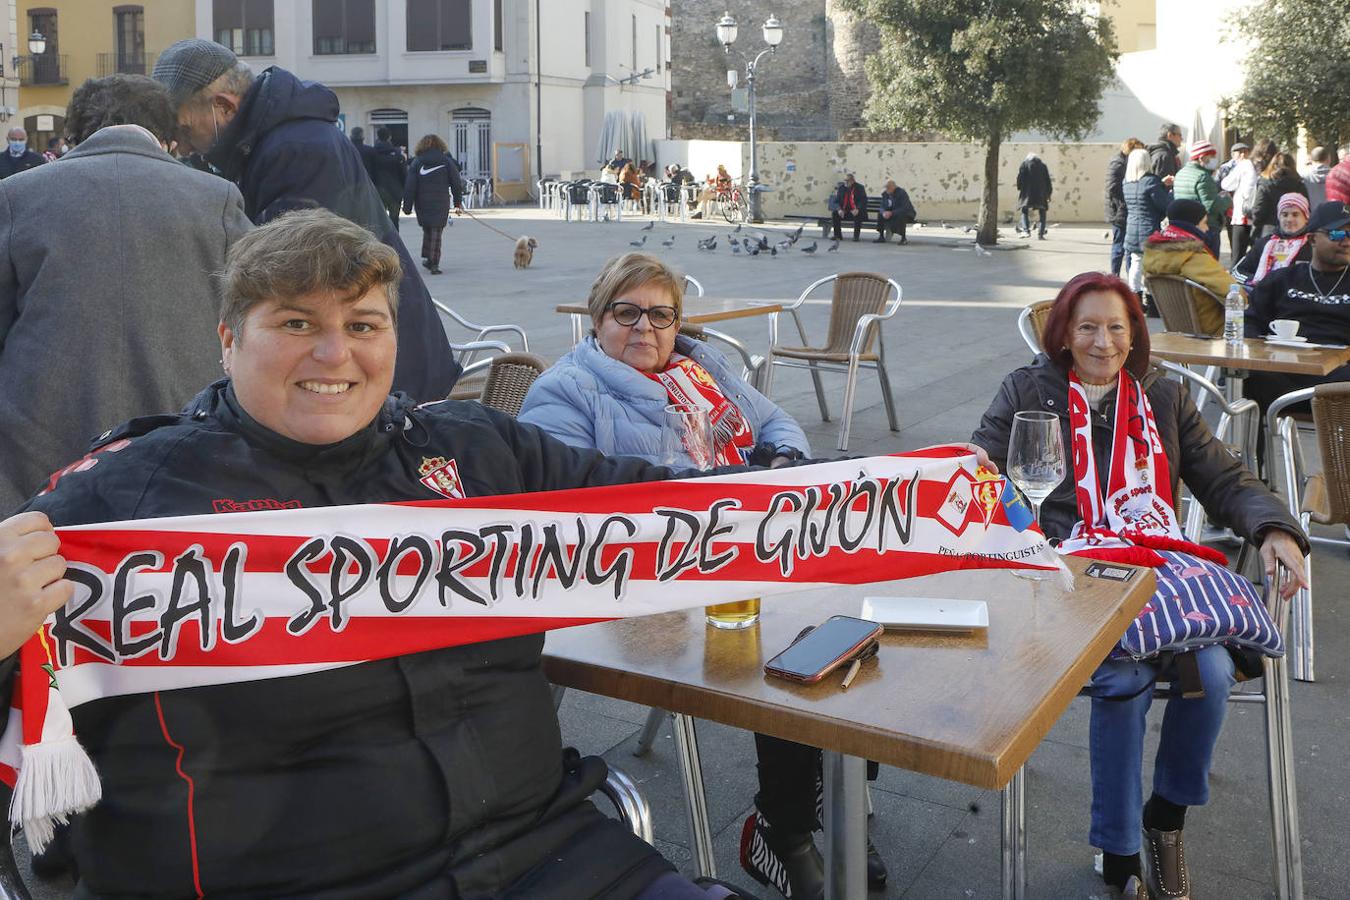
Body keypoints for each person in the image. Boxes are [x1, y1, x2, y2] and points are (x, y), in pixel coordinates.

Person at [0, 209, 757, 900]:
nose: (336, 353)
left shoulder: (476, 450)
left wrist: (856, 502)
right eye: (297, 322)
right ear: (228, 340)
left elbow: (674, 511)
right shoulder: (121, 500)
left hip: (555, 855)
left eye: (365, 325)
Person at [518, 253, 891, 899]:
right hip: (637, 584)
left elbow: (775, 421)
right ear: (597, 317)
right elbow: (563, 511)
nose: (646, 328)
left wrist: (780, 460)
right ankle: (786, 828)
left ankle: (833, 787)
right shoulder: (566, 391)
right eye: (626, 312)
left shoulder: (701, 367)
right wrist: (713, 497)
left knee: (851, 609)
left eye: (661, 314)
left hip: (742, 551)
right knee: (790, 636)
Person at [971, 271, 1307, 900]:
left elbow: (1226, 478)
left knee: (1208, 674)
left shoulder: (1165, 396)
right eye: (1088, 326)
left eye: (1117, 327)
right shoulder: (1028, 390)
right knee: (1124, 678)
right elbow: (982, 462)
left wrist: (1274, 529)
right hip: (1066, 579)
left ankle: (1165, 820)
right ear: (1065, 334)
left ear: (1135, 335)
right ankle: (1120, 847)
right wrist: (978, 469)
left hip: (1157, 574)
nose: (1103, 342)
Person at [151, 38, 459, 402]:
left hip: (384, 376)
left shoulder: (295, 149)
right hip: (371, 360)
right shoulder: (281, 140)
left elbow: (283, 276)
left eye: (185, 130)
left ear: (223, 107)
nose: (183, 147)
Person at [0, 73, 251, 516]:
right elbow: (255, 314)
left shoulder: (17, 196)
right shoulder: (216, 199)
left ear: (74, 135)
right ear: (168, 139)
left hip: (38, 437)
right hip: (180, 436)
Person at [1243, 200, 1350, 413]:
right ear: (1311, 239)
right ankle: (1251, 448)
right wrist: (1259, 355)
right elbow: (1249, 323)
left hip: (1340, 381)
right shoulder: (1281, 280)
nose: (1346, 241)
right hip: (1282, 375)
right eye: (1337, 234)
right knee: (1249, 376)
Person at [1141, 199, 1240, 335]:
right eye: (1204, 223)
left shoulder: (1151, 254)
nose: (1207, 229)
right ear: (1191, 226)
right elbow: (1236, 295)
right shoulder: (1193, 257)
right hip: (1212, 330)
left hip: (1174, 329)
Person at [402, 133, 464, 276]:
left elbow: (410, 186)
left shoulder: (417, 162)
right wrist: (458, 202)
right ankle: (433, 261)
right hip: (441, 201)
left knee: (428, 229)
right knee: (436, 231)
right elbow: (456, 183)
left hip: (422, 202)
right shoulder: (446, 161)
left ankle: (430, 259)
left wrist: (407, 205)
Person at [1121, 147, 1171, 301]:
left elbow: (1142, 195)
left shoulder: (1126, 182)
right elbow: (1163, 205)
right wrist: (1168, 191)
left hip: (1132, 227)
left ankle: (1135, 298)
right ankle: (1151, 301)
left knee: (1136, 263)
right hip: (1149, 228)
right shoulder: (1151, 181)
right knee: (1151, 267)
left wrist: (1160, 185)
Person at [1232, 193, 1311, 286]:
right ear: (1279, 217)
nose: (1289, 219)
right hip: (1261, 294)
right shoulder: (1265, 243)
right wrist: (1255, 281)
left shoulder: (1313, 245)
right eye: (1285, 215)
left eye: (1295, 214)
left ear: (1306, 218)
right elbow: (1237, 272)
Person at [1172, 141, 1229, 257]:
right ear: (1202, 158)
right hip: (1206, 227)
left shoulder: (1180, 173)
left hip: (1185, 226)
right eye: (1212, 156)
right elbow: (1211, 206)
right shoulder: (1203, 176)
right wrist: (1227, 200)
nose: (1214, 159)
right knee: (1208, 265)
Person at [1105, 138, 1145, 275]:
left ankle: (1128, 277)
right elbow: (1112, 187)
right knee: (1119, 246)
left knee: (1128, 248)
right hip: (1119, 212)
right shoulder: (1119, 163)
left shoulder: (1125, 162)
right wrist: (1126, 200)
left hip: (1123, 210)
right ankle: (1114, 276)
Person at [1250, 152, 1308, 239]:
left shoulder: (1266, 184)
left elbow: (1258, 211)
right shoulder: (1299, 185)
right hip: (1295, 230)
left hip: (1269, 230)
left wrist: (1257, 225)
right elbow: (1306, 208)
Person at [1220, 141, 1258, 264]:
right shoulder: (1258, 166)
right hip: (1255, 214)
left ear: (1241, 155)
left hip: (1241, 215)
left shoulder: (1243, 165)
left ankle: (1235, 281)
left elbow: (1226, 184)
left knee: (1237, 255)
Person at [371, 126, 409, 228]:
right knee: (394, 220)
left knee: (379, 220)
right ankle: (394, 242)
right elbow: (403, 173)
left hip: (378, 190)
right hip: (395, 191)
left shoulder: (372, 153)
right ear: (389, 137)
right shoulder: (397, 153)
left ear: (378, 137)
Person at [1016, 153, 1052, 239]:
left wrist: (1020, 187)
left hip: (1027, 193)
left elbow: (1020, 178)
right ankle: (1041, 233)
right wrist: (1049, 193)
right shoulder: (1043, 166)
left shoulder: (1024, 164)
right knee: (1042, 212)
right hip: (1041, 193)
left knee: (1024, 211)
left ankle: (1026, 231)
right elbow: (1048, 180)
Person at [874, 178, 916, 244]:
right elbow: (882, 206)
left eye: (888, 187)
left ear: (893, 187)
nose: (886, 189)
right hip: (892, 213)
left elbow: (904, 208)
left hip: (906, 214)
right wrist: (884, 212)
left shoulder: (901, 193)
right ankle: (881, 237)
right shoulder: (885, 194)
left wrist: (891, 213)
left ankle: (903, 238)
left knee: (902, 216)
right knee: (880, 215)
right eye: (886, 187)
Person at [832, 173, 868, 242]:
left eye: (847, 181)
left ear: (852, 181)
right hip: (845, 211)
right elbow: (836, 201)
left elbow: (863, 200)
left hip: (856, 211)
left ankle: (856, 236)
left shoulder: (859, 188)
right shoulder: (841, 188)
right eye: (845, 180)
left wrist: (857, 209)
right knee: (835, 214)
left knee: (858, 214)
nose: (845, 182)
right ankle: (837, 235)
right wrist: (839, 209)